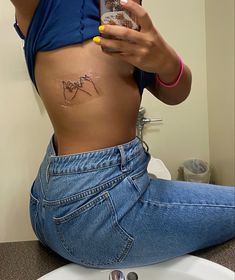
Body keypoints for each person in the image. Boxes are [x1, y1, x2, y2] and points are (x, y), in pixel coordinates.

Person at [11, 0, 234, 269]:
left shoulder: (128, 27)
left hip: (59, 204)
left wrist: (166, 60)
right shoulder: (48, 5)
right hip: (98, 210)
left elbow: (176, 94)